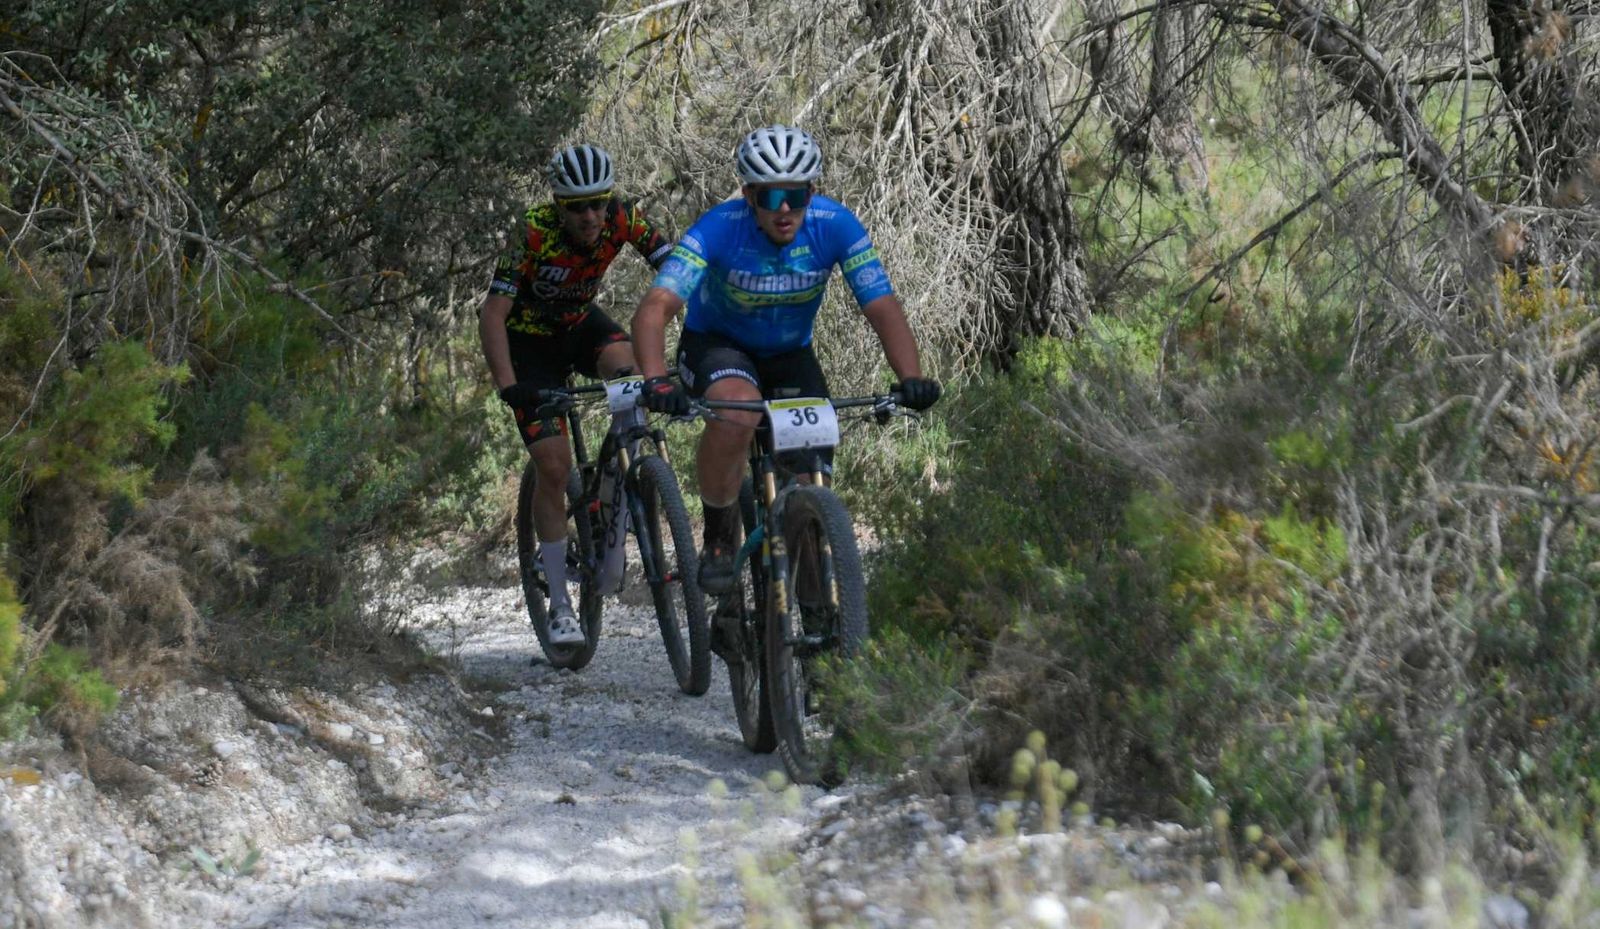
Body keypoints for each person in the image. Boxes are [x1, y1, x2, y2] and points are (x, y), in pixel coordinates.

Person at [631, 124, 941, 596]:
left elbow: (881, 305)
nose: (783, 210)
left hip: (789, 354)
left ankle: (817, 611)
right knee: (738, 411)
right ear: (749, 195)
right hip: (717, 345)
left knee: (809, 477)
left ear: (811, 193)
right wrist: (656, 380)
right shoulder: (718, 228)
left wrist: (910, 376)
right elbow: (655, 308)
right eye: (771, 196)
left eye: (795, 196)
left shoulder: (835, 225)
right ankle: (719, 536)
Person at [481, 143, 672, 645]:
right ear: (558, 205)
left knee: (633, 378)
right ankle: (561, 607)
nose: (590, 216)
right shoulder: (531, 233)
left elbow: (677, 269)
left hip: (581, 327)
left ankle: (609, 500)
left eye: (598, 203)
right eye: (577, 206)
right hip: (529, 346)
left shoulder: (623, 218)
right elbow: (493, 314)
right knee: (553, 467)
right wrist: (509, 387)